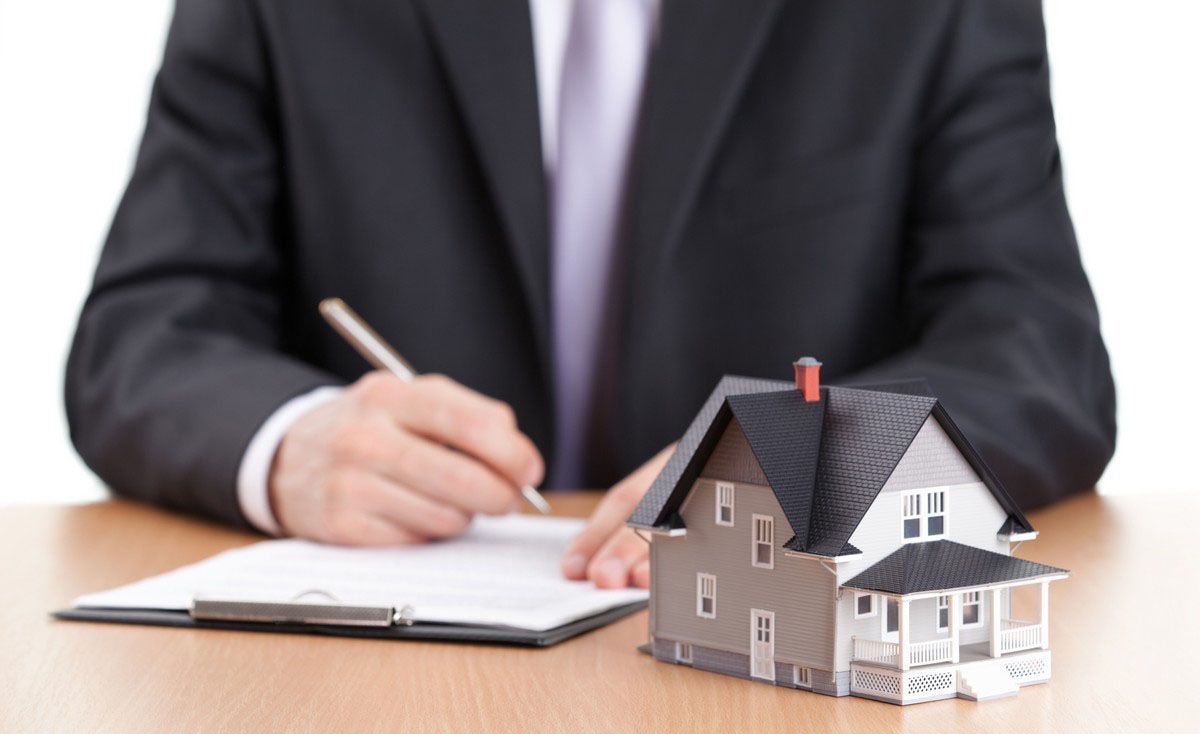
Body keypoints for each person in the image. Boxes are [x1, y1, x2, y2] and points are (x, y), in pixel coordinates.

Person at [66, 0, 1116, 591]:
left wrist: (812, 463)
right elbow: (144, 331)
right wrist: (288, 442)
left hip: (773, 692)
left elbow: (1037, 352)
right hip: (377, 695)